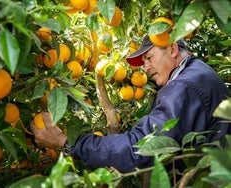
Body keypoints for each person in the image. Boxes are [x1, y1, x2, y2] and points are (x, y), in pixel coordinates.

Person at [31, 35, 231, 173]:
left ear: (172, 49)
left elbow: (141, 148)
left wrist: (68, 144)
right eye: (144, 61)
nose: (146, 67)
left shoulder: (184, 87)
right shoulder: (196, 74)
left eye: (149, 57)